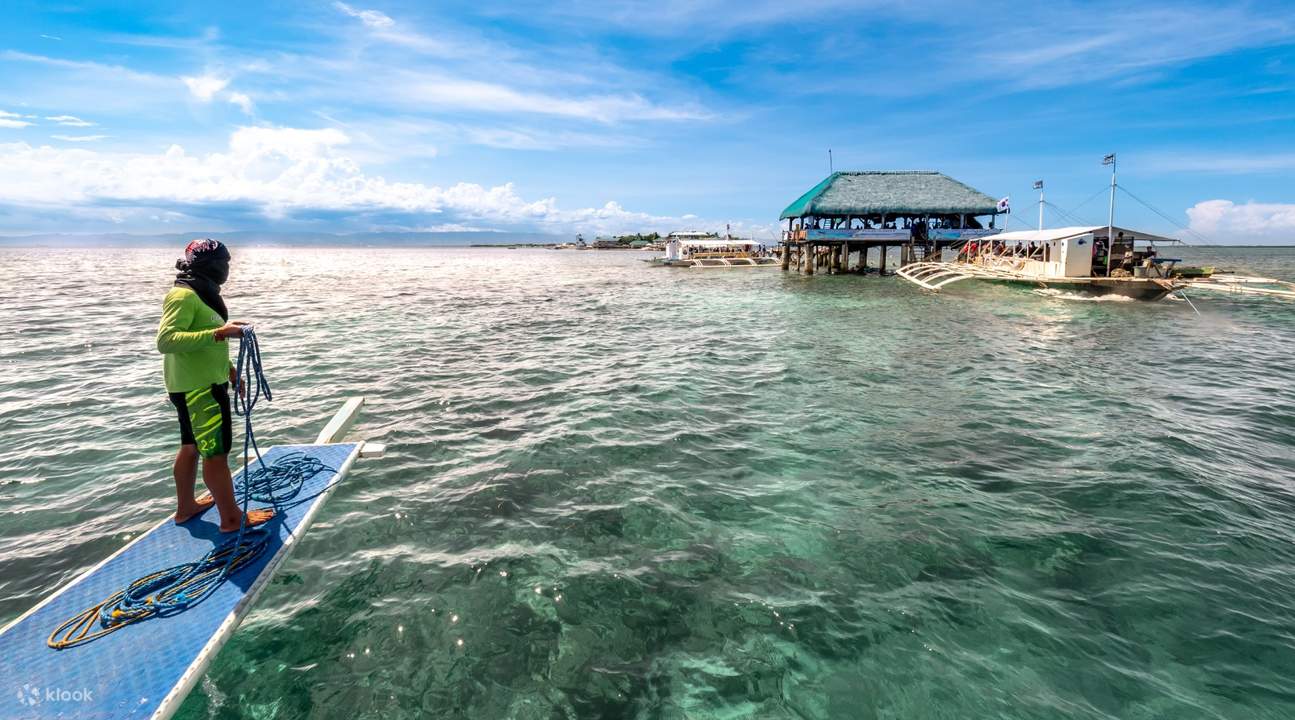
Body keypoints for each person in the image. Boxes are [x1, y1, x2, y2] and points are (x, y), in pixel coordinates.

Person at [156, 240, 274, 532]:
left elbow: (204, 341)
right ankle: (232, 519)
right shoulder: (183, 296)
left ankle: (185, 508)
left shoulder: (201, 293)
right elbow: (166, 340)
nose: (227, 268)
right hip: (200, 389)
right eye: (225, 262)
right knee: (215, 452)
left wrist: (232, 372)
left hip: (197, 383)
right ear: (210, 264)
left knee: (191, 446)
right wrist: (221, 332)